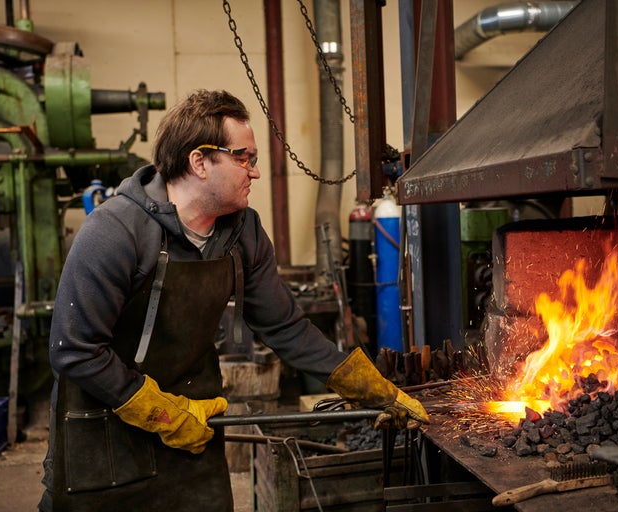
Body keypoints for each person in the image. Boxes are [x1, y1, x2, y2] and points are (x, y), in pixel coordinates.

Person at [39, 89, 429, 511]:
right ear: (200, 161)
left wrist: (365, 385)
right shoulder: (115, 231)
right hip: (106, 430)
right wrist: (161, 412)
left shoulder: (242, 232)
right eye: (244, 158)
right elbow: (74, 349)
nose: (255, 172)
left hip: (195, 425)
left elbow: (284, 326)